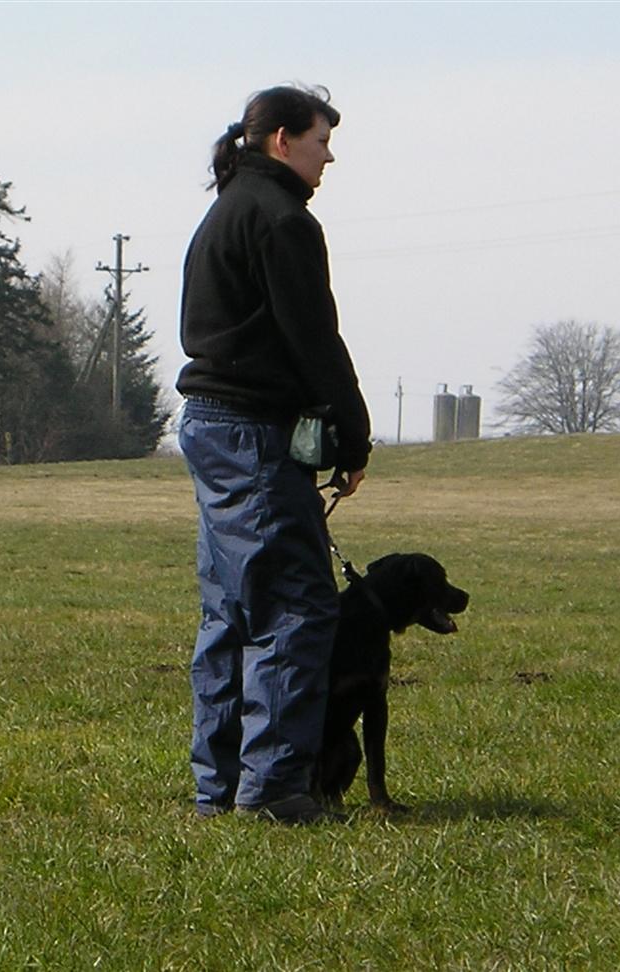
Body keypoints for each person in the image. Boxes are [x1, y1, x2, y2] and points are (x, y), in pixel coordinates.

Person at [177, 84, 371, 824]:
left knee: (230, 608)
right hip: (254, 432)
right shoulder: (283, 221)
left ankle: (217, 789)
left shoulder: (224, 212)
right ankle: (276, 793)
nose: (330, 157)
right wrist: (351, 435)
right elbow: (313, 339)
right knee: (296, 604)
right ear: (282, 140)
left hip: (208, 423)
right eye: (322, 141)